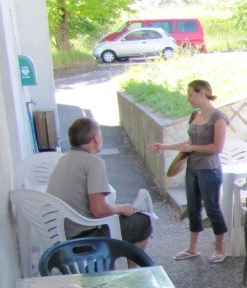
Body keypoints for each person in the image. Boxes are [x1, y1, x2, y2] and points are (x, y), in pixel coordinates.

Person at [149, 79, 228, 263]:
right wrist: (164, 147)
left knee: (212, 208)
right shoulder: (195, 115)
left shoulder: (218, 117)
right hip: (192, 169)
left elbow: (217, 148)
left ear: (202, 93)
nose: (188, 99)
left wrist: (193, 148)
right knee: (193, 208)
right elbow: (189, 143)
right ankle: (192, 247)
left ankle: (219, 249)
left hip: (209, 169)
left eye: (191, 94)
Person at [47, 117, 152, 250]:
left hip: (59, 237)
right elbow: (99, 210)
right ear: (96, 138)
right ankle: (129, 264)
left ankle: (120, 260)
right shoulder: (93, 162)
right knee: (143, 223)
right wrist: (122, 209)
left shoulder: (64, 159)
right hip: (82, 238)